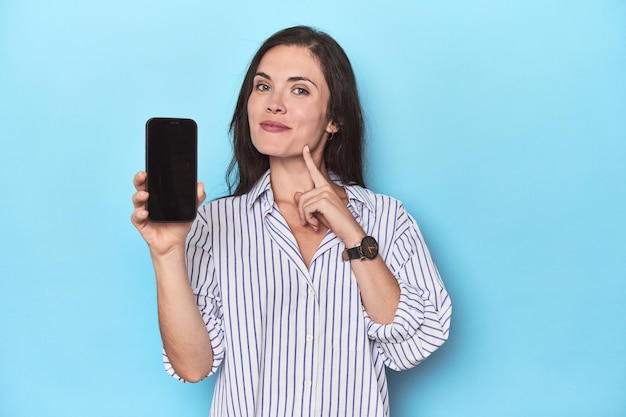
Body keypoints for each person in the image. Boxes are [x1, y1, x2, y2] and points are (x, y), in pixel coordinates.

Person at [131, 25, 451, 417]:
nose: (273, 104)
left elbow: (414, 345)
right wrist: (167, 253)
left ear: (335, 119)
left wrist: (350, 231)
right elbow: (194, 366)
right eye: (263, 87)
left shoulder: (387, 217)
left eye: (299, 90)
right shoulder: (214, 223)